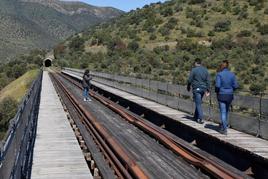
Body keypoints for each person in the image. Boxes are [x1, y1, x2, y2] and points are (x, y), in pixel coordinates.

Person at [215, 60, 238, 135]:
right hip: (229, 95)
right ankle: (223, 126)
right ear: (228, 66)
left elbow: (217, 86)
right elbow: (235, 86)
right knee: (227, 112)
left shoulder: (219, 74)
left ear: (222, 66)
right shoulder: (232, 74)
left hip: (221, 94)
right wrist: (231, 90)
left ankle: (224, 129)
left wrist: (217, 91)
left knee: (223, 112)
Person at [187, 58, 210, 124]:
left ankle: (200, 118)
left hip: (196, 88)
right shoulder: (205, 70)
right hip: (203, 89)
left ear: (196, 63)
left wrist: (188, 86)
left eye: (194, 63)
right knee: (198, 102)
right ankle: (195, 116)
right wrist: (208, 89)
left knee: (198, 103)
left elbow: (190, 79)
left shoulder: (194, 70)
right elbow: (208, 80)